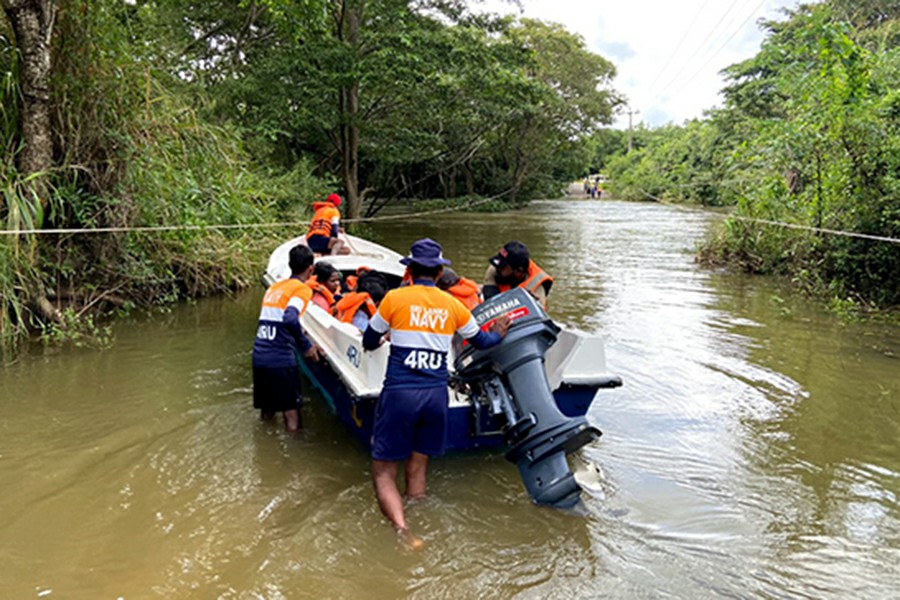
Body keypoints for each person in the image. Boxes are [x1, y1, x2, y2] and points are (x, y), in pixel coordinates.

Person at [362, 238, 510, 547]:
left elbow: (370, 338)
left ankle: (403, 531)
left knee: (383, 472)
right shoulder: (453, 304)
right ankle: (421, 514)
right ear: (440, 271)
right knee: (417, 470)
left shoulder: (393, 299)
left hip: (401, 393)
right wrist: (498, 330)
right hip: (435, 396)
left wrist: (383, 340)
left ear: (410, 269)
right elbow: (482, 342)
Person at [252, 244, 322, 432]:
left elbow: (276, 320)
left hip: (259, 356)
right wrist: (306, 345)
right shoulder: (301, 289)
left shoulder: (274, 288)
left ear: (290, 265)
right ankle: (294, 457)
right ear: (310, 269)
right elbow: (290, 318)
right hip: (280, 359)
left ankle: (265, 450)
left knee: (267, 411)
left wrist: (302, 335)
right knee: (291, 412)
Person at [482, 240, 553, 310]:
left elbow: (538, 316)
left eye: (503, 266)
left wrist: (527, 301)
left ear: (519, 271)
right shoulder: (495, 269)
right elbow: (490, 302)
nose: (498, 268)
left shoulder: (536, 286)